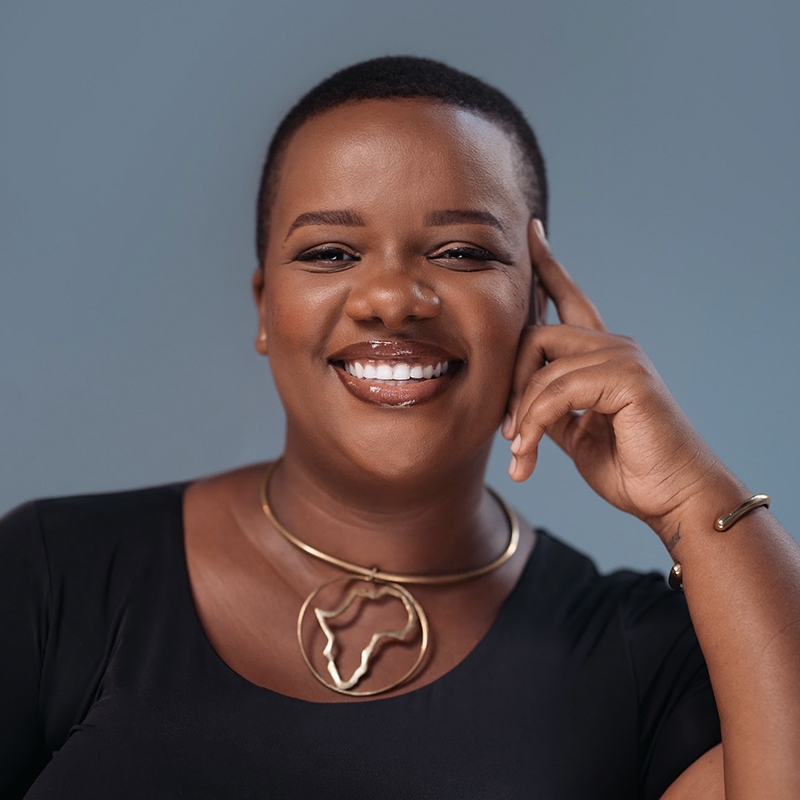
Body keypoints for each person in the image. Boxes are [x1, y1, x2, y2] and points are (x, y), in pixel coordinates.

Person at [1, 56, 798, 799]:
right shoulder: (55, 574)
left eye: (459, 251)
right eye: (330, 252)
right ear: (264, 311)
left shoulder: (636, 655)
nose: (391, 298)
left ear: (538, 310)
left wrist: (695, 502)